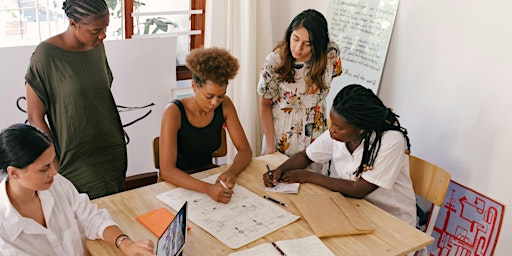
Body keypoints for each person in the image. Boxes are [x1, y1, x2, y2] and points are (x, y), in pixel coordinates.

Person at [263, 84, 417, 226]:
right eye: (332, 123)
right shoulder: (339, 134)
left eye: (338, 127)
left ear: (361, 129)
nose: (331, 130)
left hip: (392, 221)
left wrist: (309, 176)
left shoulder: (391, 140)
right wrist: (279, 171)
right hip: (356, 209)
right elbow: (306, 156)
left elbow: (359, 189)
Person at [0, 124, 155, 256]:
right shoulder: (3, 228)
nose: (54, 172)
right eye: (44, 168)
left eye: (53, 161)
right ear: (14, 173)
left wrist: (124, 243)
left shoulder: (55, 183)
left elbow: (90, 217)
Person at [25, 0, 127, 199]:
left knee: (114, 212)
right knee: (82, 218)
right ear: (73, 23)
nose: (103, 35)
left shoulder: (96, 45)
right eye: (96, 30)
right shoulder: (45, 56)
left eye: (106, 27)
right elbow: (35, 117)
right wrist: (53, 160)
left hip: (111, 149)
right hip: (74, 157)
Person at [159, 47, 252, 203]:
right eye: (209, 96)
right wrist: (208, 189)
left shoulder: (225, 105)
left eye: (220, 96)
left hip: (208, 176)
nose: (215, 102)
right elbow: (167, 170)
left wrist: (231, 172)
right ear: (194, 86)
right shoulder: (173, 112)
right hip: (178, 183)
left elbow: (245, 150)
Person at [258, 9, 343, 159]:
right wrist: (270, 145)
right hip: (282, 135)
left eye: (307, 44)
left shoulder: (330, 55)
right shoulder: (274, 62)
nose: (298, 48)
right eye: (295, 39)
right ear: (290, 33)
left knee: (313, 180)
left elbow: (328, 81)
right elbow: (265, 103)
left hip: (317, 134)